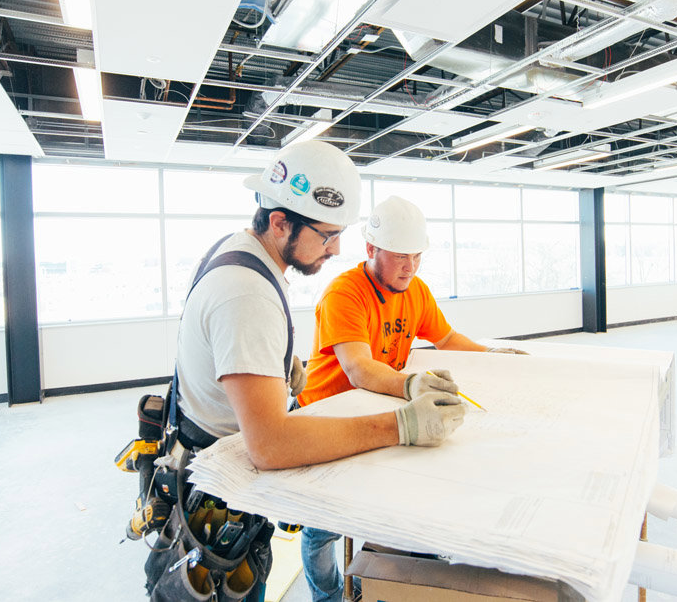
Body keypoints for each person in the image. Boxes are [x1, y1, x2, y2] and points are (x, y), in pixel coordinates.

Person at [173, 143, 467, 470]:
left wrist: (268, 363)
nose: (336, 249)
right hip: (217, 467)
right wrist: (401, 425)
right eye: (327, 235)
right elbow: (271, 445)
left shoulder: (235, 252)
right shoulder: (249, 294)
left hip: (208, 442)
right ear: (280, 222)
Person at [295, 194, 526, 601]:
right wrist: (411, 385)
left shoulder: (415, 290)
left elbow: (447, 338)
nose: (410, 267)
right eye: (401, 256)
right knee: (322, 527)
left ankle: (379, 580)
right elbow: (359, 369)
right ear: (371, 249)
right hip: (326, 414)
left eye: (417, 257)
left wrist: (490, 356)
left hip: (376, 410)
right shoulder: (344, 294)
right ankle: (328, 597)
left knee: (389, 501)